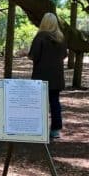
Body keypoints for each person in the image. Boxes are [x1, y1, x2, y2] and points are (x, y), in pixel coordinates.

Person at [28, 12, 68, 140]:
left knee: (39, 103)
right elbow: (64, 55)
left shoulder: (40, 37)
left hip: (41, 76)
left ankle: (37, 128)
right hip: (56, 77)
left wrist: (25, 53)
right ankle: (55, 130)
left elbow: (34, 55)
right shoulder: (61, 38)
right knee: (55, 102)